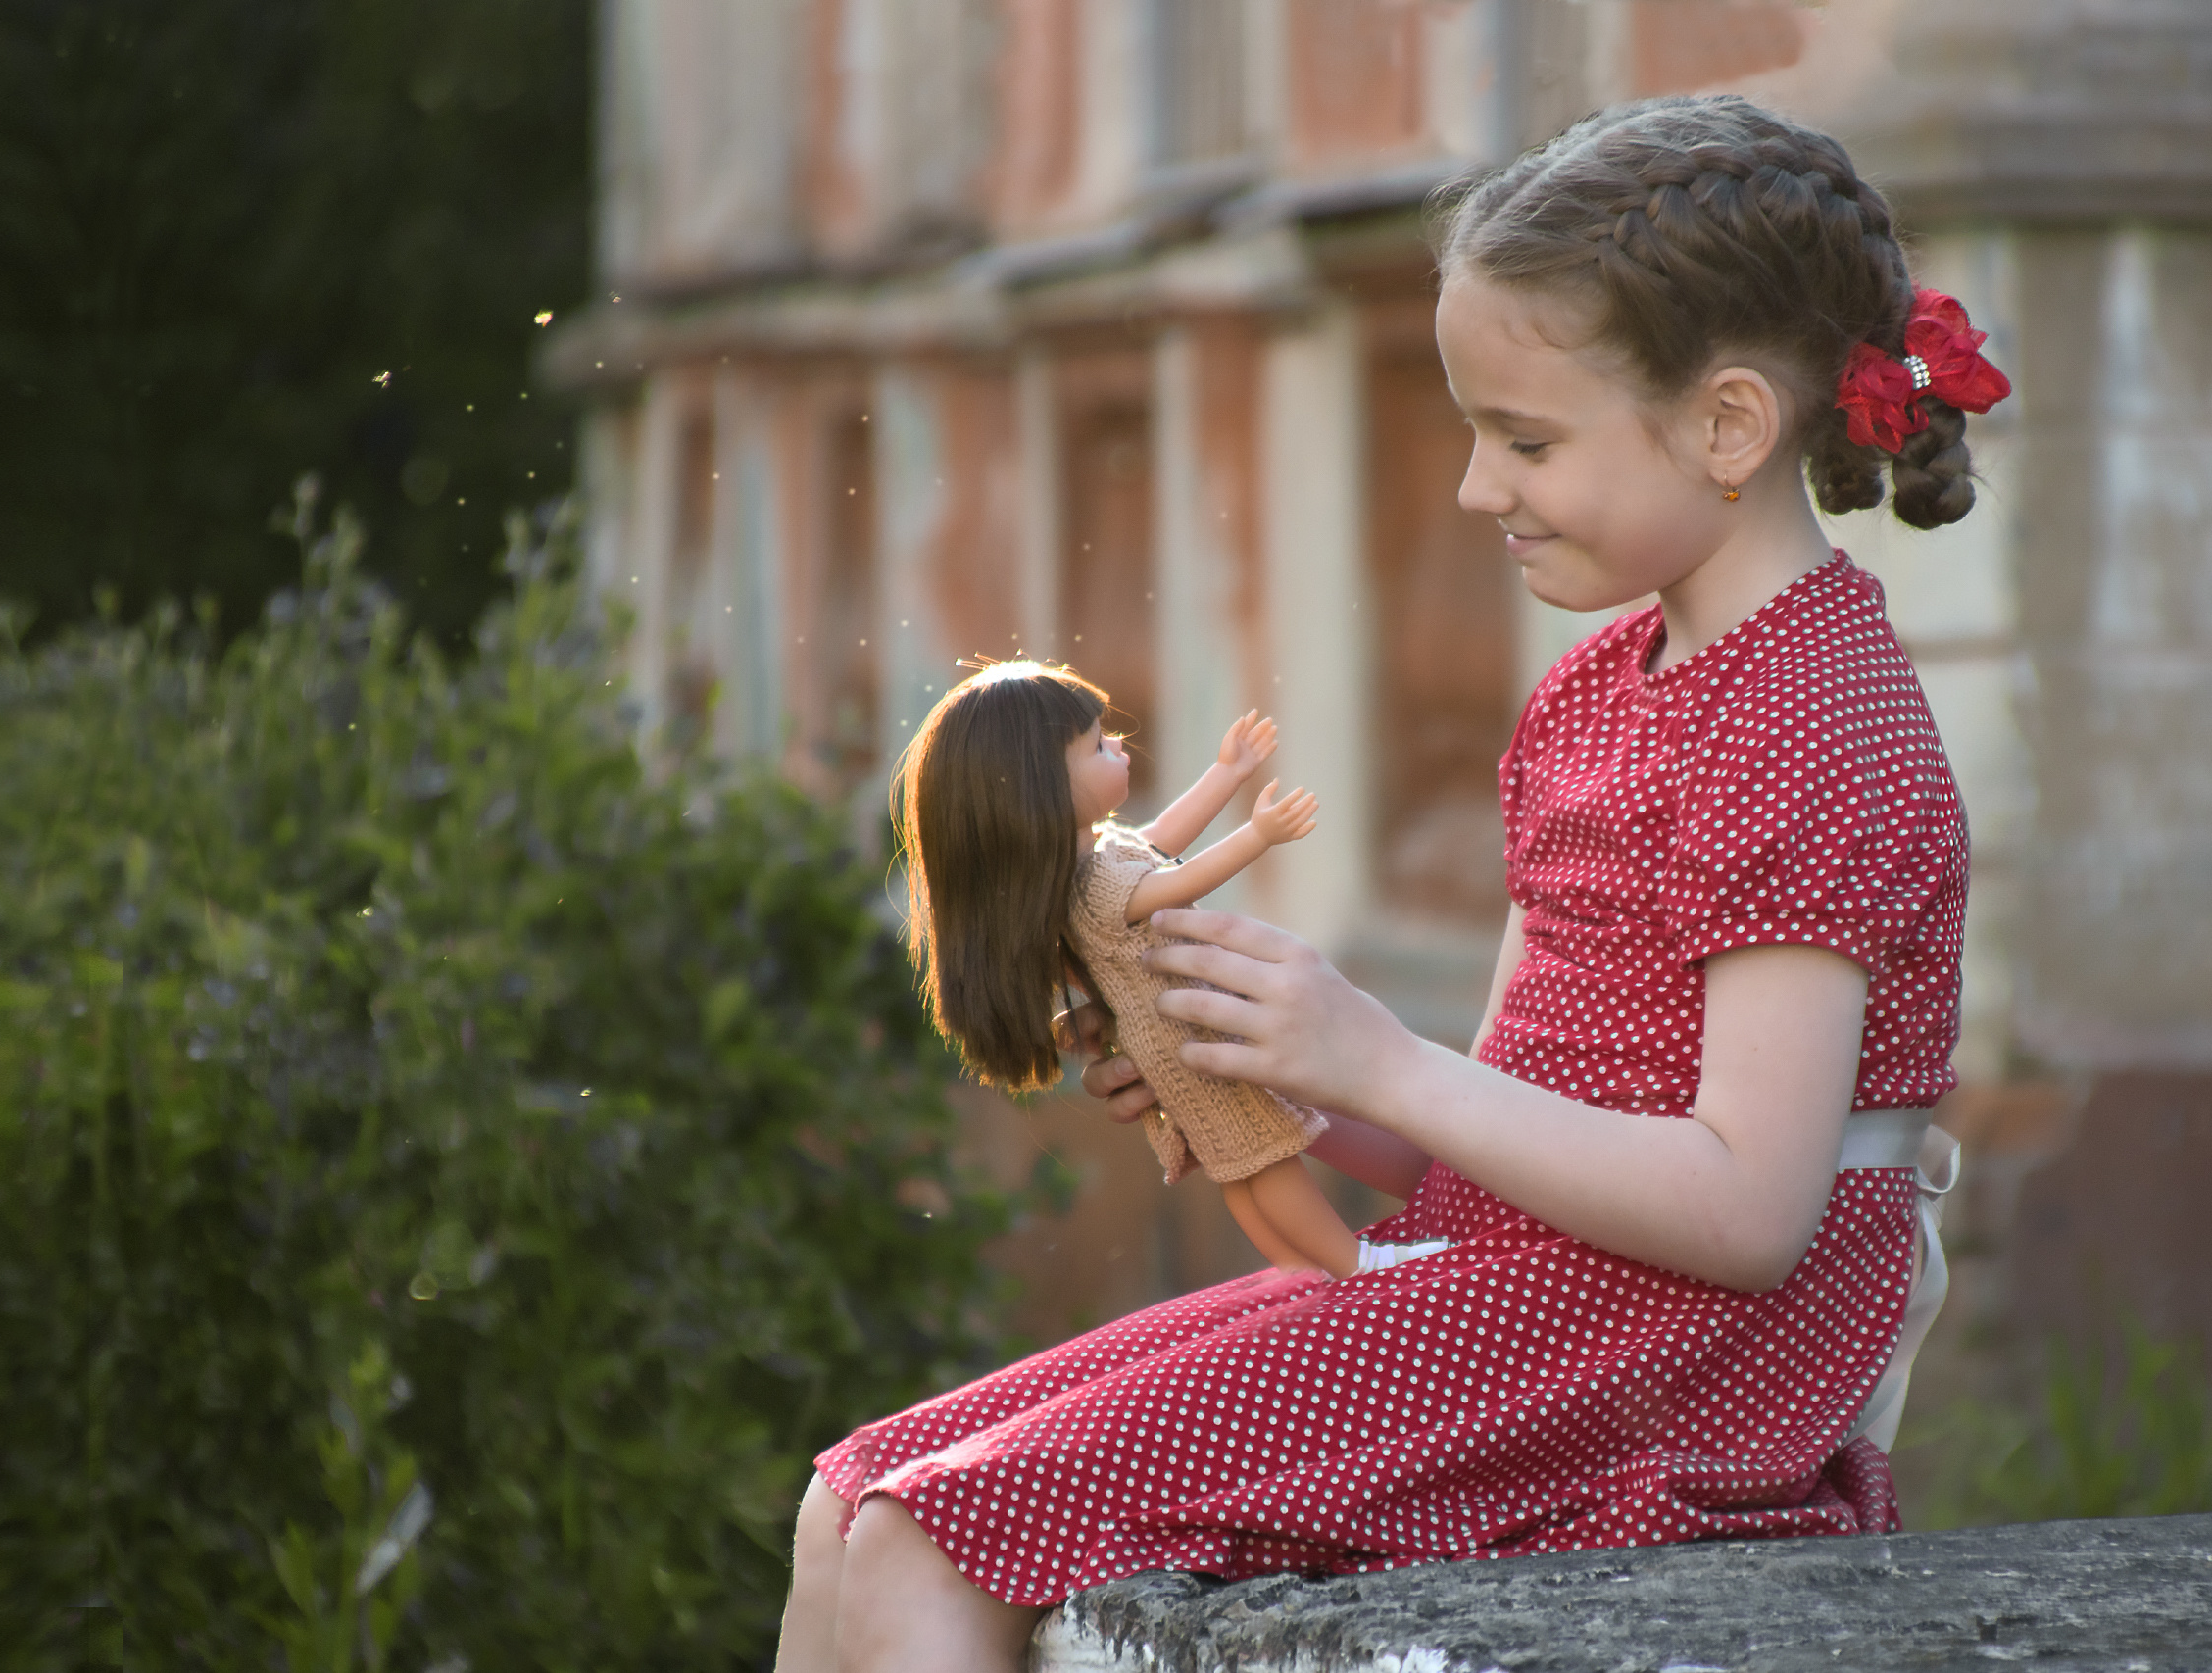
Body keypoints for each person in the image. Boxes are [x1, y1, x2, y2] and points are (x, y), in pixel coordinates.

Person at [775, 92, 2006, 1673]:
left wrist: (1376, 1055)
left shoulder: (1812, 727)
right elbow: (1495, 1121)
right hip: (1527, 1281)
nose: (1477, 491)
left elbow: (1749, 1209)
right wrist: (1275, 1072)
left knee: (931, 1542)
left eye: (1529, 439)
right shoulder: (1597, 688)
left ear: (1729, 427)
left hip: (1678, 1349)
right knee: (858, 1491)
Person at [896, 670, 1362, 1280]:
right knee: (1259, 1156)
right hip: (1188, 1037)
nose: (1118, 745)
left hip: (1179, 1035)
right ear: (1041, 792)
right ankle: (1352, 1262)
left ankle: (1301, 1267)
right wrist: (1258, 835)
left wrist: (1227, 772)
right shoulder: (1095, 885)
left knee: (1237, 1162)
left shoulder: (1095, 857)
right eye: (1095, 746)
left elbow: (1164, 839)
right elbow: (1178, 880)